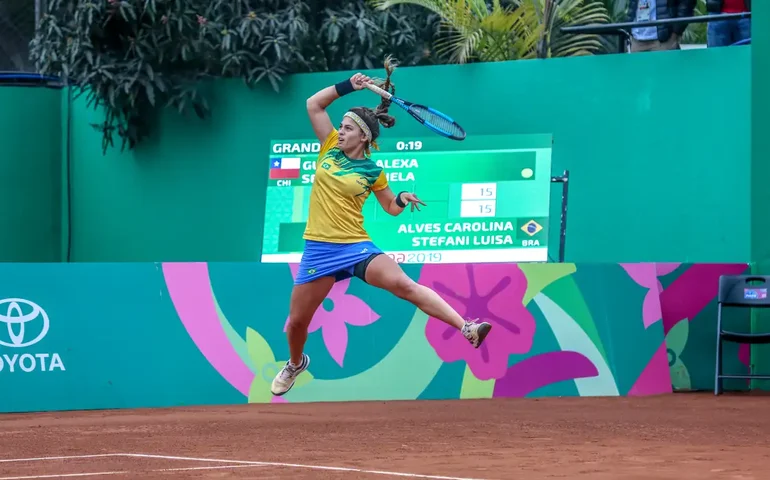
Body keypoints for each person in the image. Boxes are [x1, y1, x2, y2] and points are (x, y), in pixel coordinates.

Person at [270, 57, 493, 397]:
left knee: (404, 284)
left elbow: (390, 207)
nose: (340, 131)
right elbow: (313, 104)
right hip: (319, 249)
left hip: (356, 246)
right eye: (341, 126)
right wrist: (349, 85)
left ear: (363, 136)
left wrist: (401, 197)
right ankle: (295, 363)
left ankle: (467, 327)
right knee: (298, 322)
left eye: (347, 128)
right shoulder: (328, 147)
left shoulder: (373, 171)